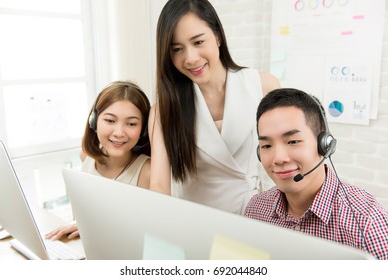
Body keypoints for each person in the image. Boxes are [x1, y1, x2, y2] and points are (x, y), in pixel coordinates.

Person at [149, 0, 280, 214]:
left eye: (198, 42)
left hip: (250, 217)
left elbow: (282, 161)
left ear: (217, 36)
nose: (190, 58)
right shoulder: (163, 110)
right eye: (177, 49)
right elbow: (159, 186)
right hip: (193, 223)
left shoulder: (263, 85)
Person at [244, 88, 388, 260]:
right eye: (266, 146)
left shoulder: (367, 223)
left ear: (324, 145)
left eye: (293, 141)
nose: (279, 158)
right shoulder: (256, 209)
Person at [46, 81, 151, 240]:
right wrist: (83, 224)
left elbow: (144, 233)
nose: (119, 133)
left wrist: (93, 226)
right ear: (93, 121)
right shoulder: (86, 157)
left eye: (131, 123)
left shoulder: (147, 172)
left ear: (143, 130)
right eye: (110, 120)